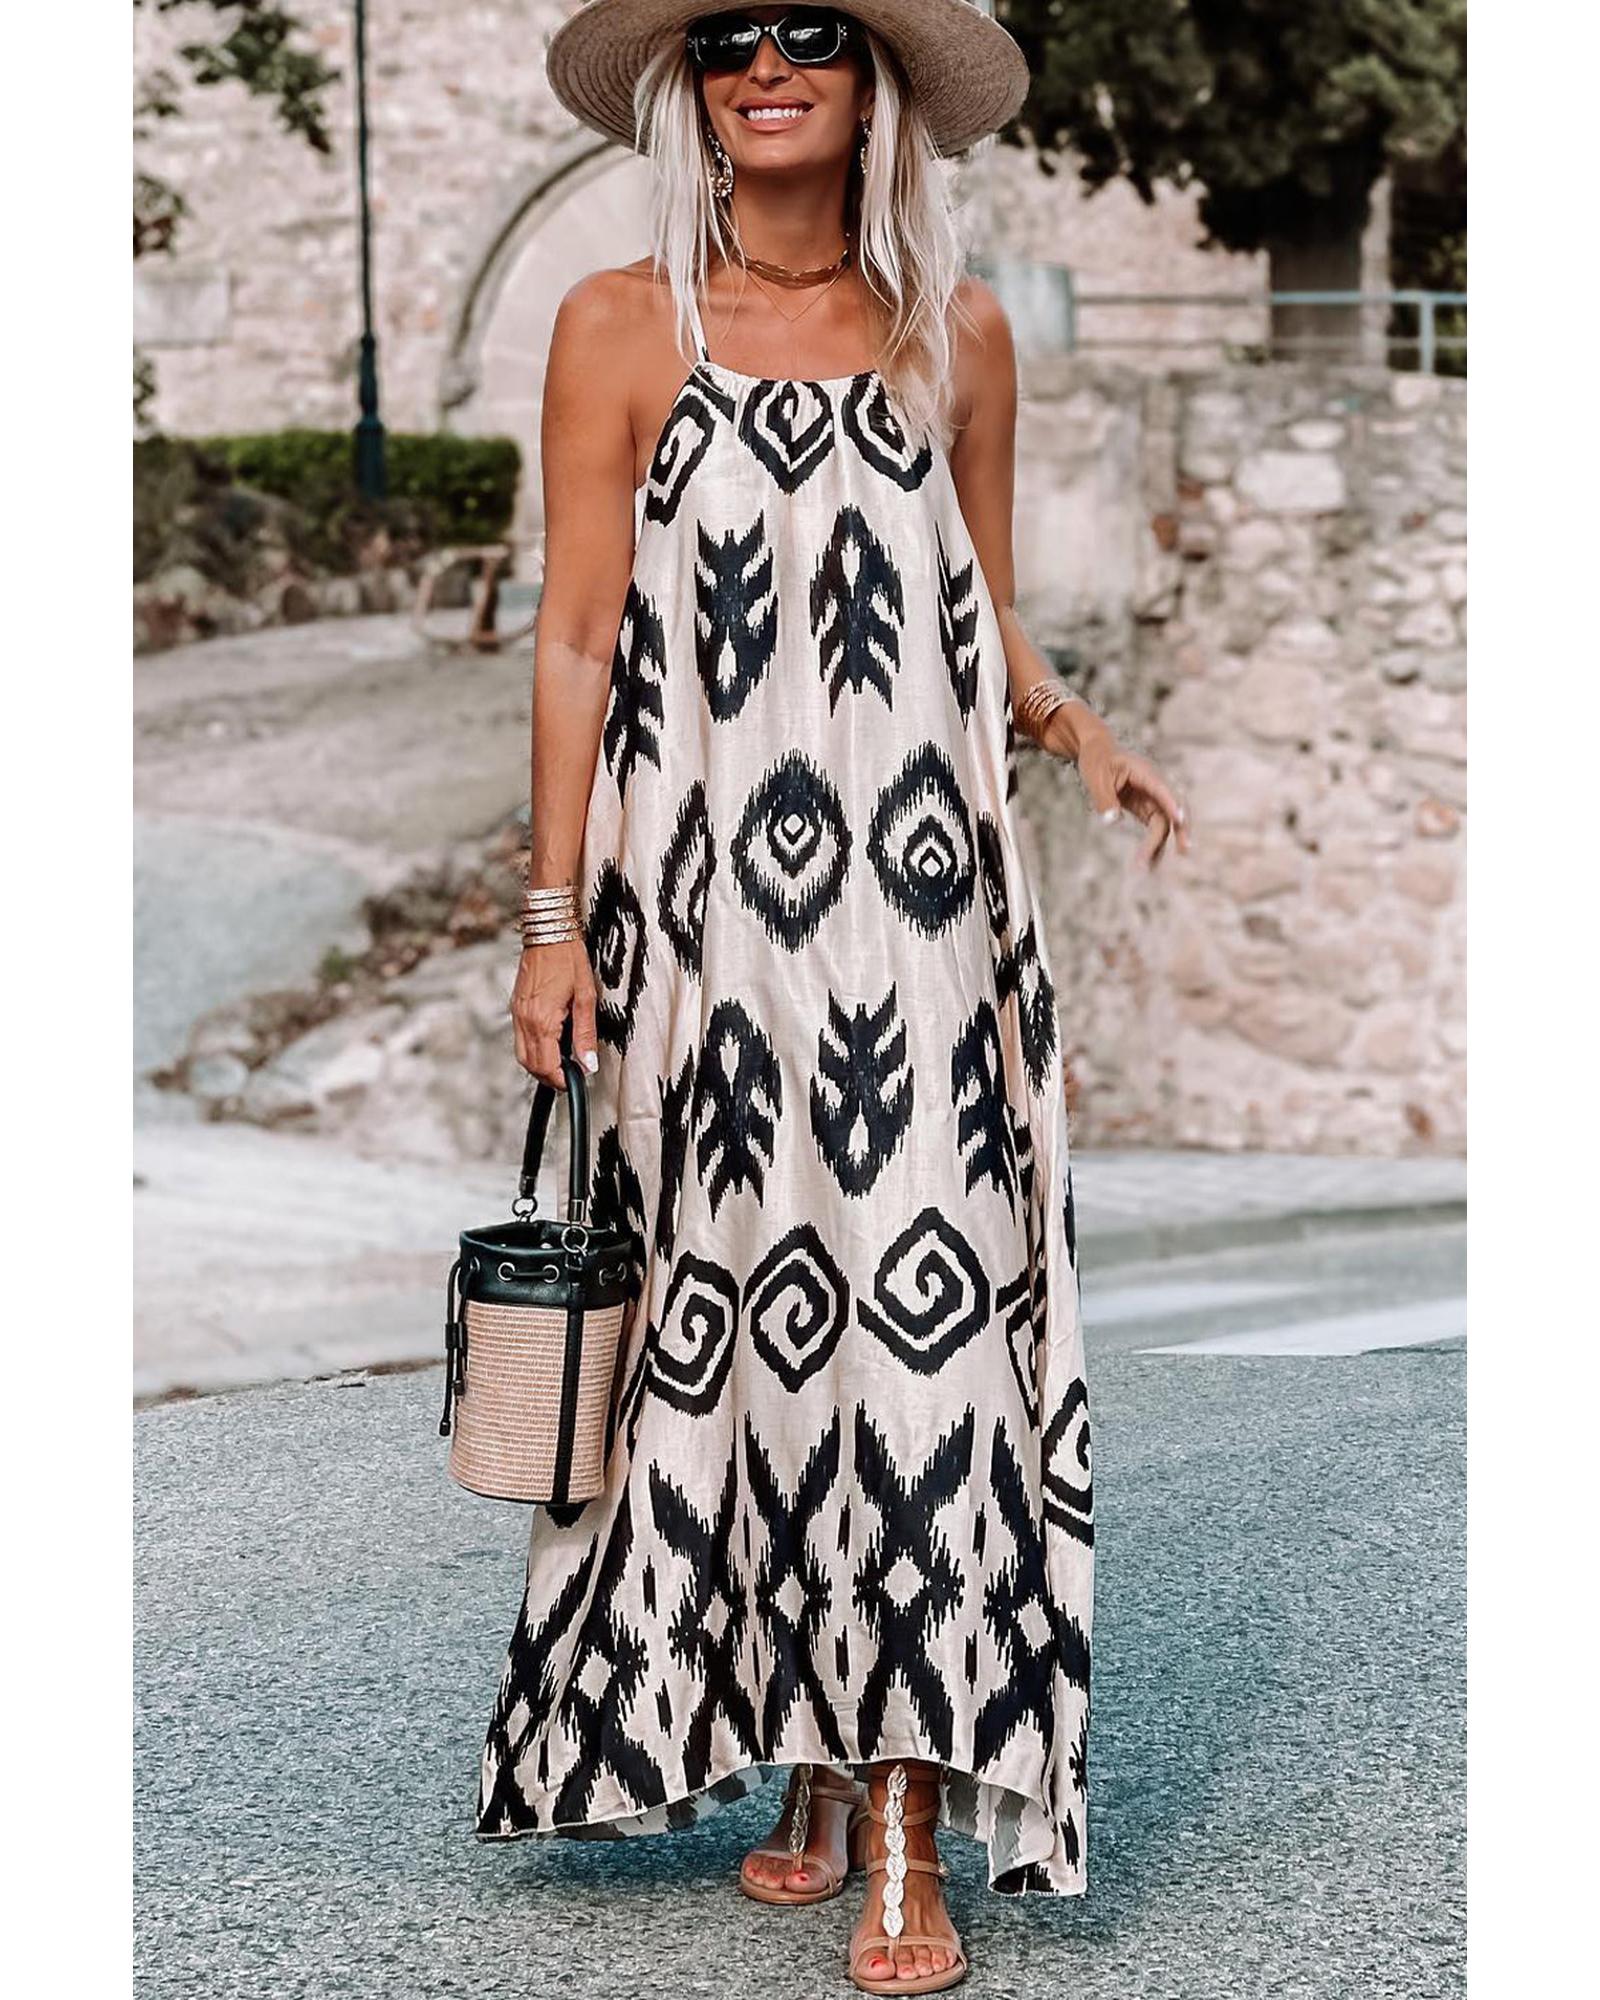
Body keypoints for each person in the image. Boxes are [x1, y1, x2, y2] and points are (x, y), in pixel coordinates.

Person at [480, 4, 1189, 1992]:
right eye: (730, 42)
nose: (767, 65)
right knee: (742, 1315)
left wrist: (1072, 722)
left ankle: (900, 1809)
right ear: (691, 91)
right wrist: (550, 919)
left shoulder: (956, 335)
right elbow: (572, 636)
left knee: (920, 1323)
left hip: (924, 924)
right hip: (704, 928)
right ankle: (800, 1738)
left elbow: (976, 594)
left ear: (874, 86)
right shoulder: (620, 327)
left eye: (811, 35)